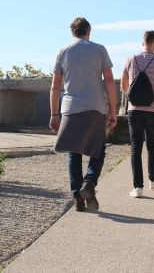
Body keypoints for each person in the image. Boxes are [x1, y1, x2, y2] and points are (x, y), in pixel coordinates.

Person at [49, 17, 117, 212]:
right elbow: (110, 81)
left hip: (70, 108)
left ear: (73, 32)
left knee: (74, 152)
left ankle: (77, 196)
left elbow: (55, 87)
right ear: (89, 30)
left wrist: (54, 114)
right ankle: (89, 182)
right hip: (96, 107)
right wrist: (112, 110)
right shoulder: (99, 49)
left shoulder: (63, 51)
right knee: (98, 150)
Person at [121, 30, 154, 198]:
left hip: (134, 110)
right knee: (152, 146)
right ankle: (153, 179)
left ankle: (137, 187)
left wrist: (132, 97)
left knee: (136, 147)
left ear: (143, 43)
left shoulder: (130, 59)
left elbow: (124, 83)